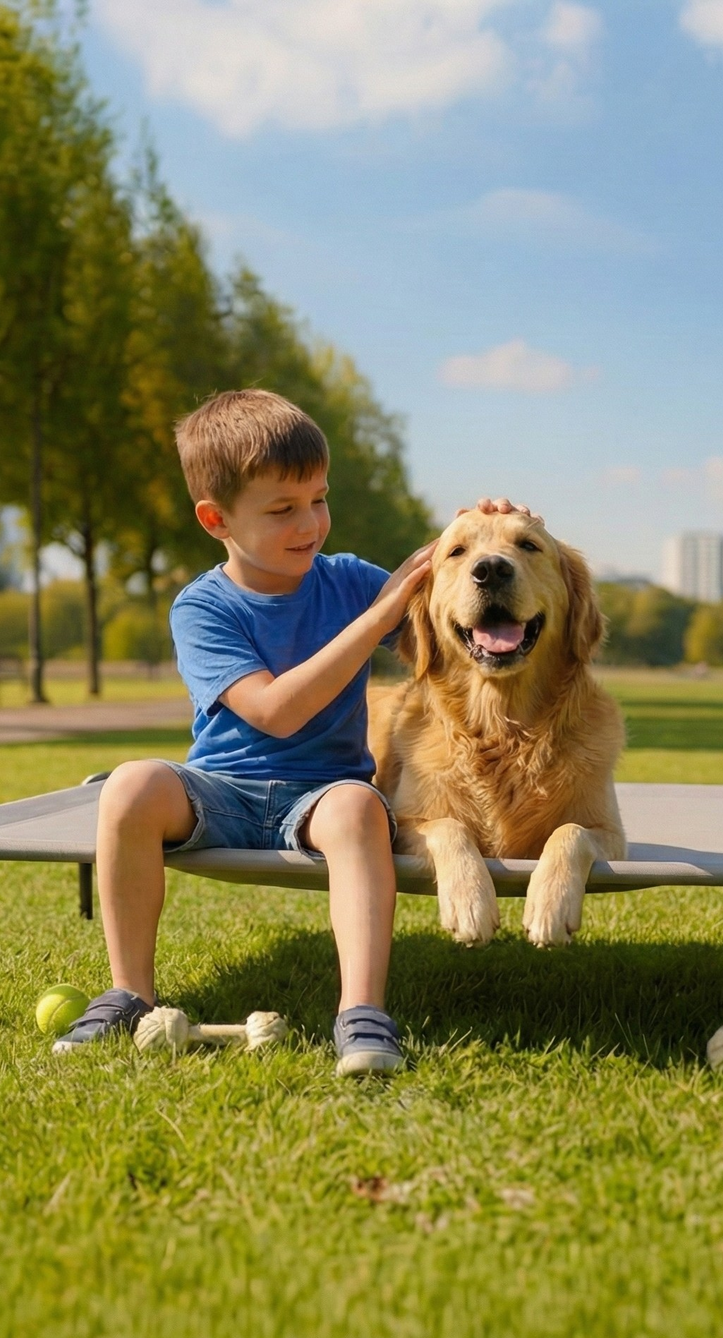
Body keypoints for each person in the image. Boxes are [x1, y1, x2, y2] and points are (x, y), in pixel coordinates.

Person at [55, 388, 432, 1075]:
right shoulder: (202, 606)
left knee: (357, 807)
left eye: (319, 499)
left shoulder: (351, 581)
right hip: (222, 790)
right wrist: (376, 618)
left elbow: (450, 612)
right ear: (216, 518)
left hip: (323, 795)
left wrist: (479, 529)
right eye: (282, 509)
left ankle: (362, 1012)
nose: (310, 523)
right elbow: (275, 711)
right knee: (130, 784)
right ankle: (130, 993)